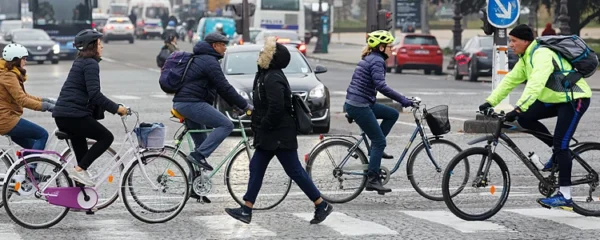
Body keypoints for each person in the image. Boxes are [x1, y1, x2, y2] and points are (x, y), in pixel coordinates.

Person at [479, 24, 592, 209]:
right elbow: (509, 80)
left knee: (561, 144)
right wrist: (490, 102)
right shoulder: (526, 58)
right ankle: (557, 152)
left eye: (513, 41)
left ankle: (565, 196)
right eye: (509, 41)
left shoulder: (542, 55)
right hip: (555, 99)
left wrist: (518, 108)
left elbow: (536, 84)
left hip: (574, 98)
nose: (510, 45)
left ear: (526, 41)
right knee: (525, 119)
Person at [224, 36, 332, 225]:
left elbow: (276, 107)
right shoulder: (265, 74)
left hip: (278, 134)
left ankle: (321, 204)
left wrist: (263, 124)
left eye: (264, 52)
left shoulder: (273, 77)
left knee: (295, 171)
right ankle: (246, 209)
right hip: (271, 134)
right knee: (257, 167)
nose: (260, 54)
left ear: (271, 57)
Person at [52, 29, 128, 186]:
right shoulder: (90, 64)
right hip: (73, 116)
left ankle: (82, 200)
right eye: (100, 44)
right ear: (92, 45)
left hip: (65, 116)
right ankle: (79, 170)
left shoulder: (80, 61)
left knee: (82, 161)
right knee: (106, 137)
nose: (102, 47)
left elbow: (90, 94)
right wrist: (117, 108)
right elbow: (95, 95)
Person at [344, 30, 414, 194]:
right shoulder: (376, 61)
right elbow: (381, 86)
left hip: (359, 103)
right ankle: (373, 179)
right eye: (390, 47)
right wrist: (403, 99)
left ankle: (375, 150)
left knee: (392, 114)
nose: (392, 49)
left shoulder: (372, 58)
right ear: (381, 47)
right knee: (380, 141)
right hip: (359, 106)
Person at [172, 32, 252, 171]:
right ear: (214, 46)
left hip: (185, 103)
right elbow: (224, 87)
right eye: (223, 45)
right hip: (191, 103)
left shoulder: (203, 58)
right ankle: (198, 156)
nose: (225, 48)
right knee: (226, 125)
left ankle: (195, 187)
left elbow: (220, 89)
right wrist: (245, 105)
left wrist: (234, 106)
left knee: (201, 145)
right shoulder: (209, 61)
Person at [0, 44, 54, 180]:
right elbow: (22, 100)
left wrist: (46, 101)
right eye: (24, 58)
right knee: (42, 134)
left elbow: (24, 95)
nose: (26, 61)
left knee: (32, 149)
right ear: (16, 59)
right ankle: (31, 173)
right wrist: (46, 107)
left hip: (6, 118)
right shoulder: (8, 76)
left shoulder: (8, 73)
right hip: (6, 119)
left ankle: (24, 172)